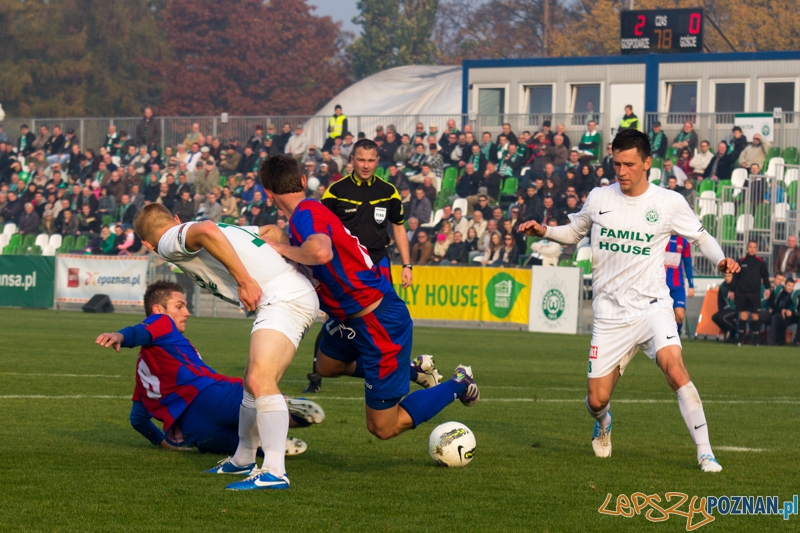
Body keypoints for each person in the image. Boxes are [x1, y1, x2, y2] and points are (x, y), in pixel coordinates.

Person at [518, 128, 739, 472]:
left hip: (652, 307)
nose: (620, 171)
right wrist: (544, 231)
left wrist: (721, 260)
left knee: (675, 368)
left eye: (629, 164)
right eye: (616, 163)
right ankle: (604, 422)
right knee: (596, 399)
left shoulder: (668, 202)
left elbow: (702, 237)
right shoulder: (599, 197)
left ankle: (705, 452)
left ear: (647, 163)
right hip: (609, 317)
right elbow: (574, 231)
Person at [258, 154, 480, 458]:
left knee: (383, 427)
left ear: (267, 193)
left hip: (379, 323)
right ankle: (414, 370)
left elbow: (320, 253)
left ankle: (458, 383)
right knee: (326, 366)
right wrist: (279, 238)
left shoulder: (307, 213)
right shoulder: (304, 216)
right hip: (349, 318)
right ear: (300, 181)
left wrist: (279, 247)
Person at [131, 203, 318, 491]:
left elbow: (205, 229)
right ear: (176, 218)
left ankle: (273, 471)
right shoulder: (223, 228)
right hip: (287, 295)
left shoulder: (167, 241)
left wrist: (245, 281)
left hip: (283, 299)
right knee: (250, 384)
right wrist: (297, 272)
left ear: (147, 244)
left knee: (259, 380)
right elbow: (271, 231)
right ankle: (243, 458)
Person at [94, 281, 324, 454]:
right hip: (212, 395)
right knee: (264, 406)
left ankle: (264, 444)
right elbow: (138, 332)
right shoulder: (161, 322)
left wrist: (164, 444)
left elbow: (138, 419)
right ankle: (286, 409)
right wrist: (120, 336)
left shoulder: (143, 372)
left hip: (196, 429)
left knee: (243, 446)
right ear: (158, 310)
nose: (186, 312)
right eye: (179, 306)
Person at [305, 139, 413, 393]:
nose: (365, 165)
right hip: (345, 268)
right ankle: (316, 377)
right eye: (361, 160)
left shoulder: (389, 192)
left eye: (371, 160)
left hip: (378, 264)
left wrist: (407, 264)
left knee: (386, 319)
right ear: (352, 160)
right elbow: (320, 230)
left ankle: (397, 372)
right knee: (335, 321)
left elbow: (398, 226)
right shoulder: (335, 191)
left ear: (378, 162)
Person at [733, 240, 771, 347]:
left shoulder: (760, 262)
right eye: (750, 247)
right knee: (743, 315)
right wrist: (732, 290)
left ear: (757, 249)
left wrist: (768, 288)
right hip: (742, 292)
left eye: (754, 247)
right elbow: (735, 277)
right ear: (747, 248)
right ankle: (740, 339)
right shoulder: (741, 261)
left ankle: (756, 340)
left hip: (755, 293)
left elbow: (765, 276)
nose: (752, 249)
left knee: (755, 316)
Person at [665, 234, 694, 335]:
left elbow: (687, 264)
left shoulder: (684, 241)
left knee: (680, 316)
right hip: (661, 286)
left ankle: (675, 335)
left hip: (678, 286)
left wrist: (691, 285)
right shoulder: (662, 238)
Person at [766, 277, 797, 346]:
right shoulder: (778, 290)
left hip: (785, 314)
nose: (790, 288)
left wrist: (786, 311)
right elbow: (770, 301)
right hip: (774, 310)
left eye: (792, 286)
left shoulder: (793, 295)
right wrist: (775, 309)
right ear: (785, 285)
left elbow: (792, 306)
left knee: (776, 317)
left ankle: (771, 341)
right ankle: (755, 338)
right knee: (757, 316)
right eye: (789, 285)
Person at [711, 272, 737, 342]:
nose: (727, 278)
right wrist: (720, 310)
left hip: (735, 308)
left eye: (729, 276)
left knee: (723, 318)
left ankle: (733, 331)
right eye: (725, 276)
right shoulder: (722, 286)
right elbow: (720, 300)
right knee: (715, 317)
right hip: (726, 308)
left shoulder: (737, 285)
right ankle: (728, 330)